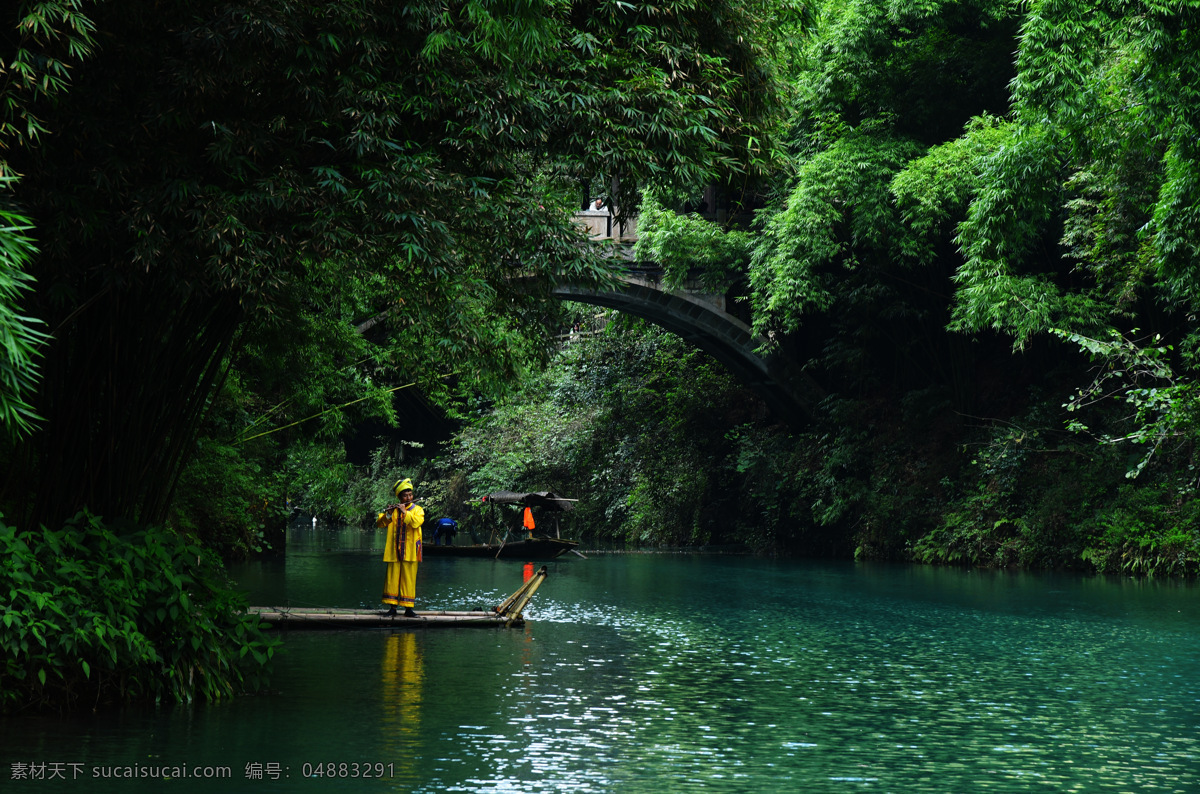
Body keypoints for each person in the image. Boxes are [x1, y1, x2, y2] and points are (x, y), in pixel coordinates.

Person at [377, 478, 424, 617]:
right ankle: (392, 608)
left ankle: (408, 609)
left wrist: (405, 512)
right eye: (405, 496)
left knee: (409, 579)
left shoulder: (418, 510)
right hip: (394, 551)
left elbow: (416, 523)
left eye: (410, 495)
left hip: (410, 551)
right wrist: (390, 513)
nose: (408, 497)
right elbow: (380, 523)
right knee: (392, 579)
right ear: (399, 497)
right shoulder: (394, 511)